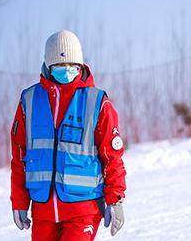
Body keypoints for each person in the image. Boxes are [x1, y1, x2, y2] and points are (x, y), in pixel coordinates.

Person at [10, 30, 126, 240]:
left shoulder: (96, 102)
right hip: (43, 211)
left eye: (72, 65)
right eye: (60, 65)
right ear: (48, 66)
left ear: (80, 65)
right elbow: (19, 158)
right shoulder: (29, 101)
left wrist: (115, 200)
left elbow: (112, 157)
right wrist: (19, 202)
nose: (66, 69)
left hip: (84, 209)